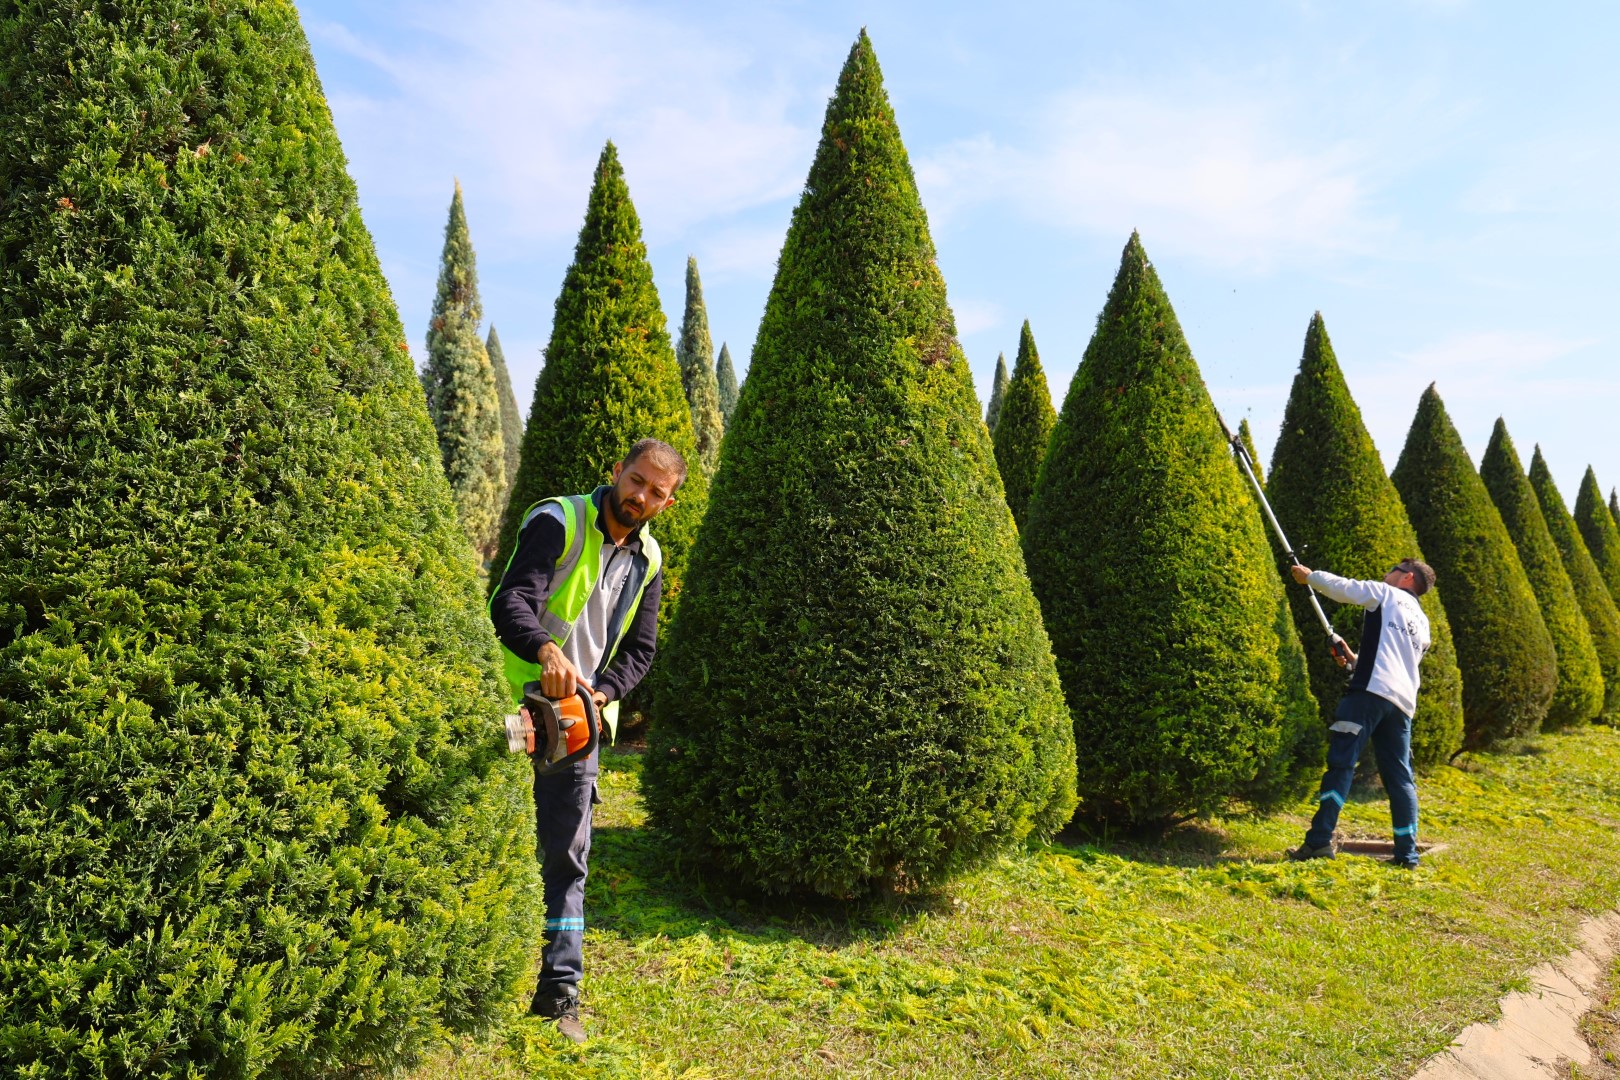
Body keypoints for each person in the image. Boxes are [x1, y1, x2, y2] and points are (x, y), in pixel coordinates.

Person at [489, 438, 686, 1042]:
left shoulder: (648, 560)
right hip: (510, 707)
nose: (641, 496)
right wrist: (544, 650)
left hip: (579, 726)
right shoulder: (559, 520)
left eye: (656, 492)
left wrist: (598, 695)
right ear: (617, 473)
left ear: (667, 503)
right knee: (487, 841)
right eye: (636, 481)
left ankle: (558, 995)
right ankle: (465, 975)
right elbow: (509, 601)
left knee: (568, 861)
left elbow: (641, 649)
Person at [1287, 558, 1436, 869]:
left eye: (1394, 568)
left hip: (1368, 694)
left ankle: (1318, 842)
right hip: (1401, 704)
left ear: (1407, 577)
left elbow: (1344, 588)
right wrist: (1354, 659)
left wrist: (1309, 576)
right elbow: (1395, 660)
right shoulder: (1423, 623)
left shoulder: (1386, 593)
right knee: (1400, 780)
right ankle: (1407, 856)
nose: (1387, 572)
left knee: (1341, 764)